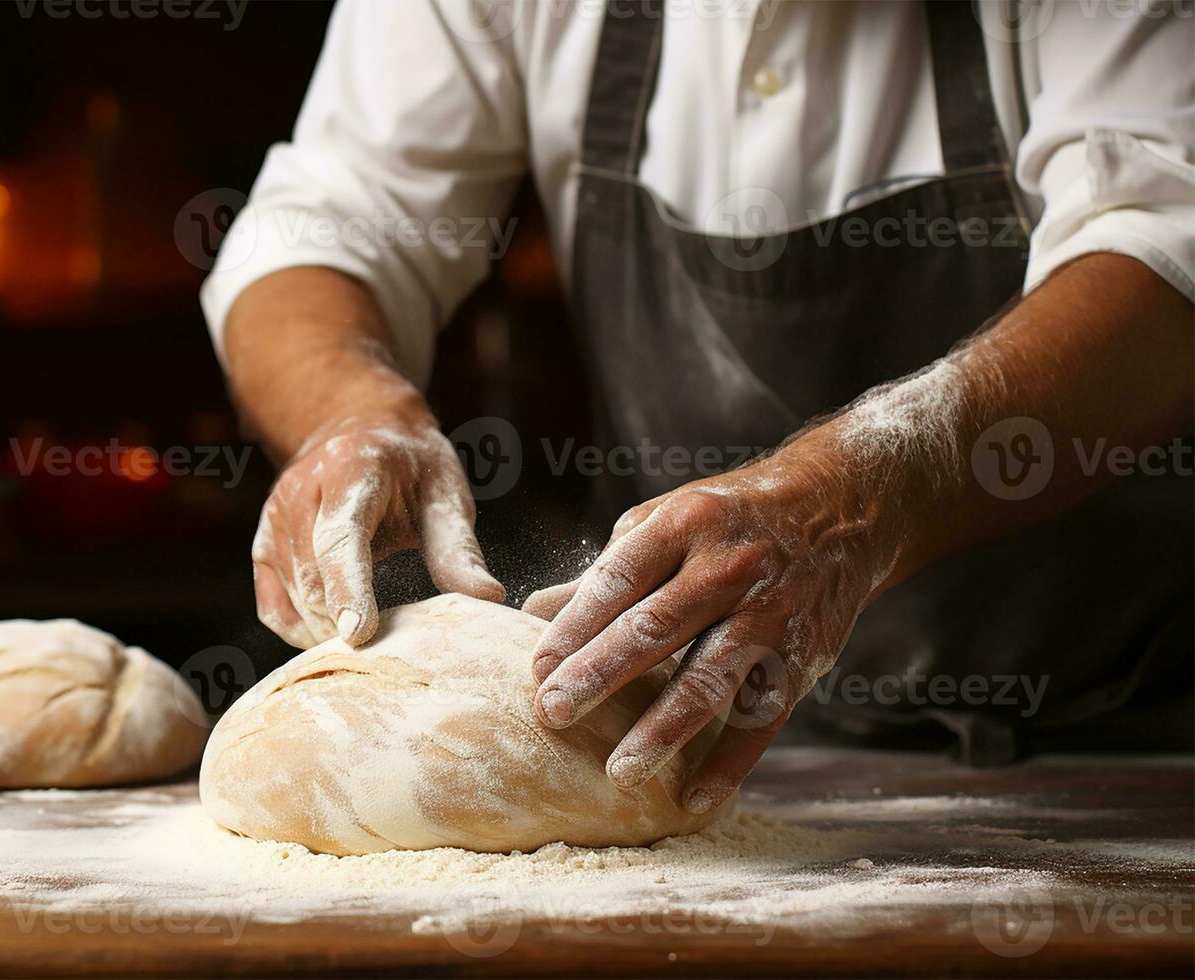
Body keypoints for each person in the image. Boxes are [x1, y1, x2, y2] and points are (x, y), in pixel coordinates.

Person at [201, 0, 1194, 812]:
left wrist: (843, 499)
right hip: (681, 750)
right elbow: (327, 218)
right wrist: (347, 404)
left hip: (1128, 744)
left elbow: (1162, 247)